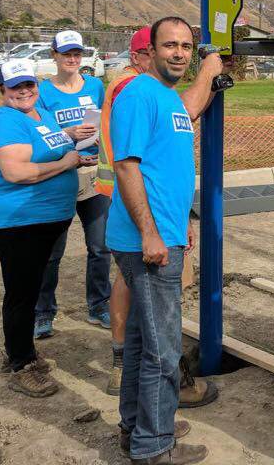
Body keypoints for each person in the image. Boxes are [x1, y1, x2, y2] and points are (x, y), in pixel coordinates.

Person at [108, 16, 225, 465]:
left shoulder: (168, 98)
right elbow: (126, 165)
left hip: (163, 235)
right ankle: (154, 448)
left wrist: (211, 75)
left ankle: (136, 429)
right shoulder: (139, 94)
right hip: (147, 243)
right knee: (163, 350)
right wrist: (151, 233)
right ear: (149, 51)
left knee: (141, 341)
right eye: (169, 45)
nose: (177, 52)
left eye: (184, 46)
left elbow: (183, 127)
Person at [0, 58, 91, 398]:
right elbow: (16, 172)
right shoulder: (6, 122)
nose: (24, 91)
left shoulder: (40, 115)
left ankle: (21, 351)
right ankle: (20, 365)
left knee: (31, 286)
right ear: (2, 91)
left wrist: (72, 141)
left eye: (28, 84)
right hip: (17, 221)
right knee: (22, 292)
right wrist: (67, 163)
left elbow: (51, 144)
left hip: (43, 219)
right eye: (15, 87)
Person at [33, 29, 111, 339]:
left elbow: (103, 121)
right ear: (54, 55)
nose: (72, 58)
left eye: (76, 53)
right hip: (60, 174)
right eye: (66, 53)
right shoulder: (43, 92)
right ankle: (43, 312)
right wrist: (69, 135)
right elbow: (39, 131)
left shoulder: (95, 85)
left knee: (100, 246)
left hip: (93, 174)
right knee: (51, 252)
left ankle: (99, 305)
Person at [99, 26, 153, 396]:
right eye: (155, 51)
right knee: (135, 278)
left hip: (124, 189)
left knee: (131, 277)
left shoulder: (134, 85)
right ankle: (127, 360)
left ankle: (128, 359)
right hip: (128, 192)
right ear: (137, 56)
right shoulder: (129, 87)